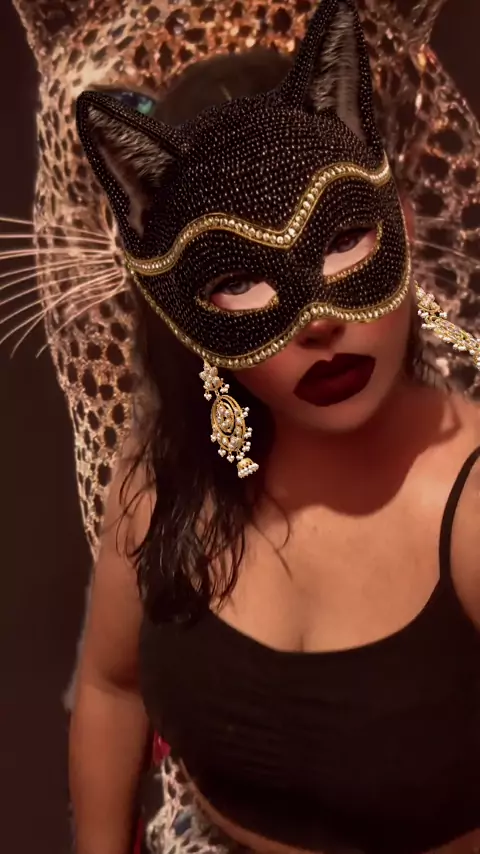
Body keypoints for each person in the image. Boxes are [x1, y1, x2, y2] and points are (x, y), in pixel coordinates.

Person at [70, 2, 480, 853]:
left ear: (402, 227)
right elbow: (111, 689)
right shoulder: (159, 481)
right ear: (179, 311)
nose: (317, 321)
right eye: (237, 280)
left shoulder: (472, 507)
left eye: (344, 236)